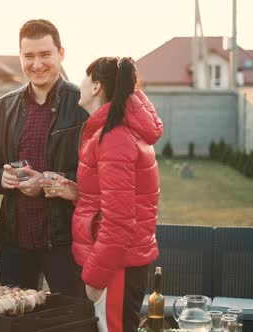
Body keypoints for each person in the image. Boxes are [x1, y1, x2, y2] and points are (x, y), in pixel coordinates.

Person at [0, 19, 89, 297]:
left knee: (70, 320)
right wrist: (1, 178)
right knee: (16, 321)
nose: (37, 64)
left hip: (65, 240)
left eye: (45, 54)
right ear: (20, 57)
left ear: (61, 54)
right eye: (29, 56)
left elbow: (99, 177)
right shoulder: (6, 106)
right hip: (15, 240)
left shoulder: (83, 104)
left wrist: (47, 183)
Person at [60, 57, 163, 332]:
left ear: (96, 87)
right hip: (119, 262)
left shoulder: (114, 138)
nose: (79, 84)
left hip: (115, 267)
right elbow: (115, 200)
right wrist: (78, 194)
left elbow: (118, 220)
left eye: (85, 77)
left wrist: (95, 277)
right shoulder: (119, 133)